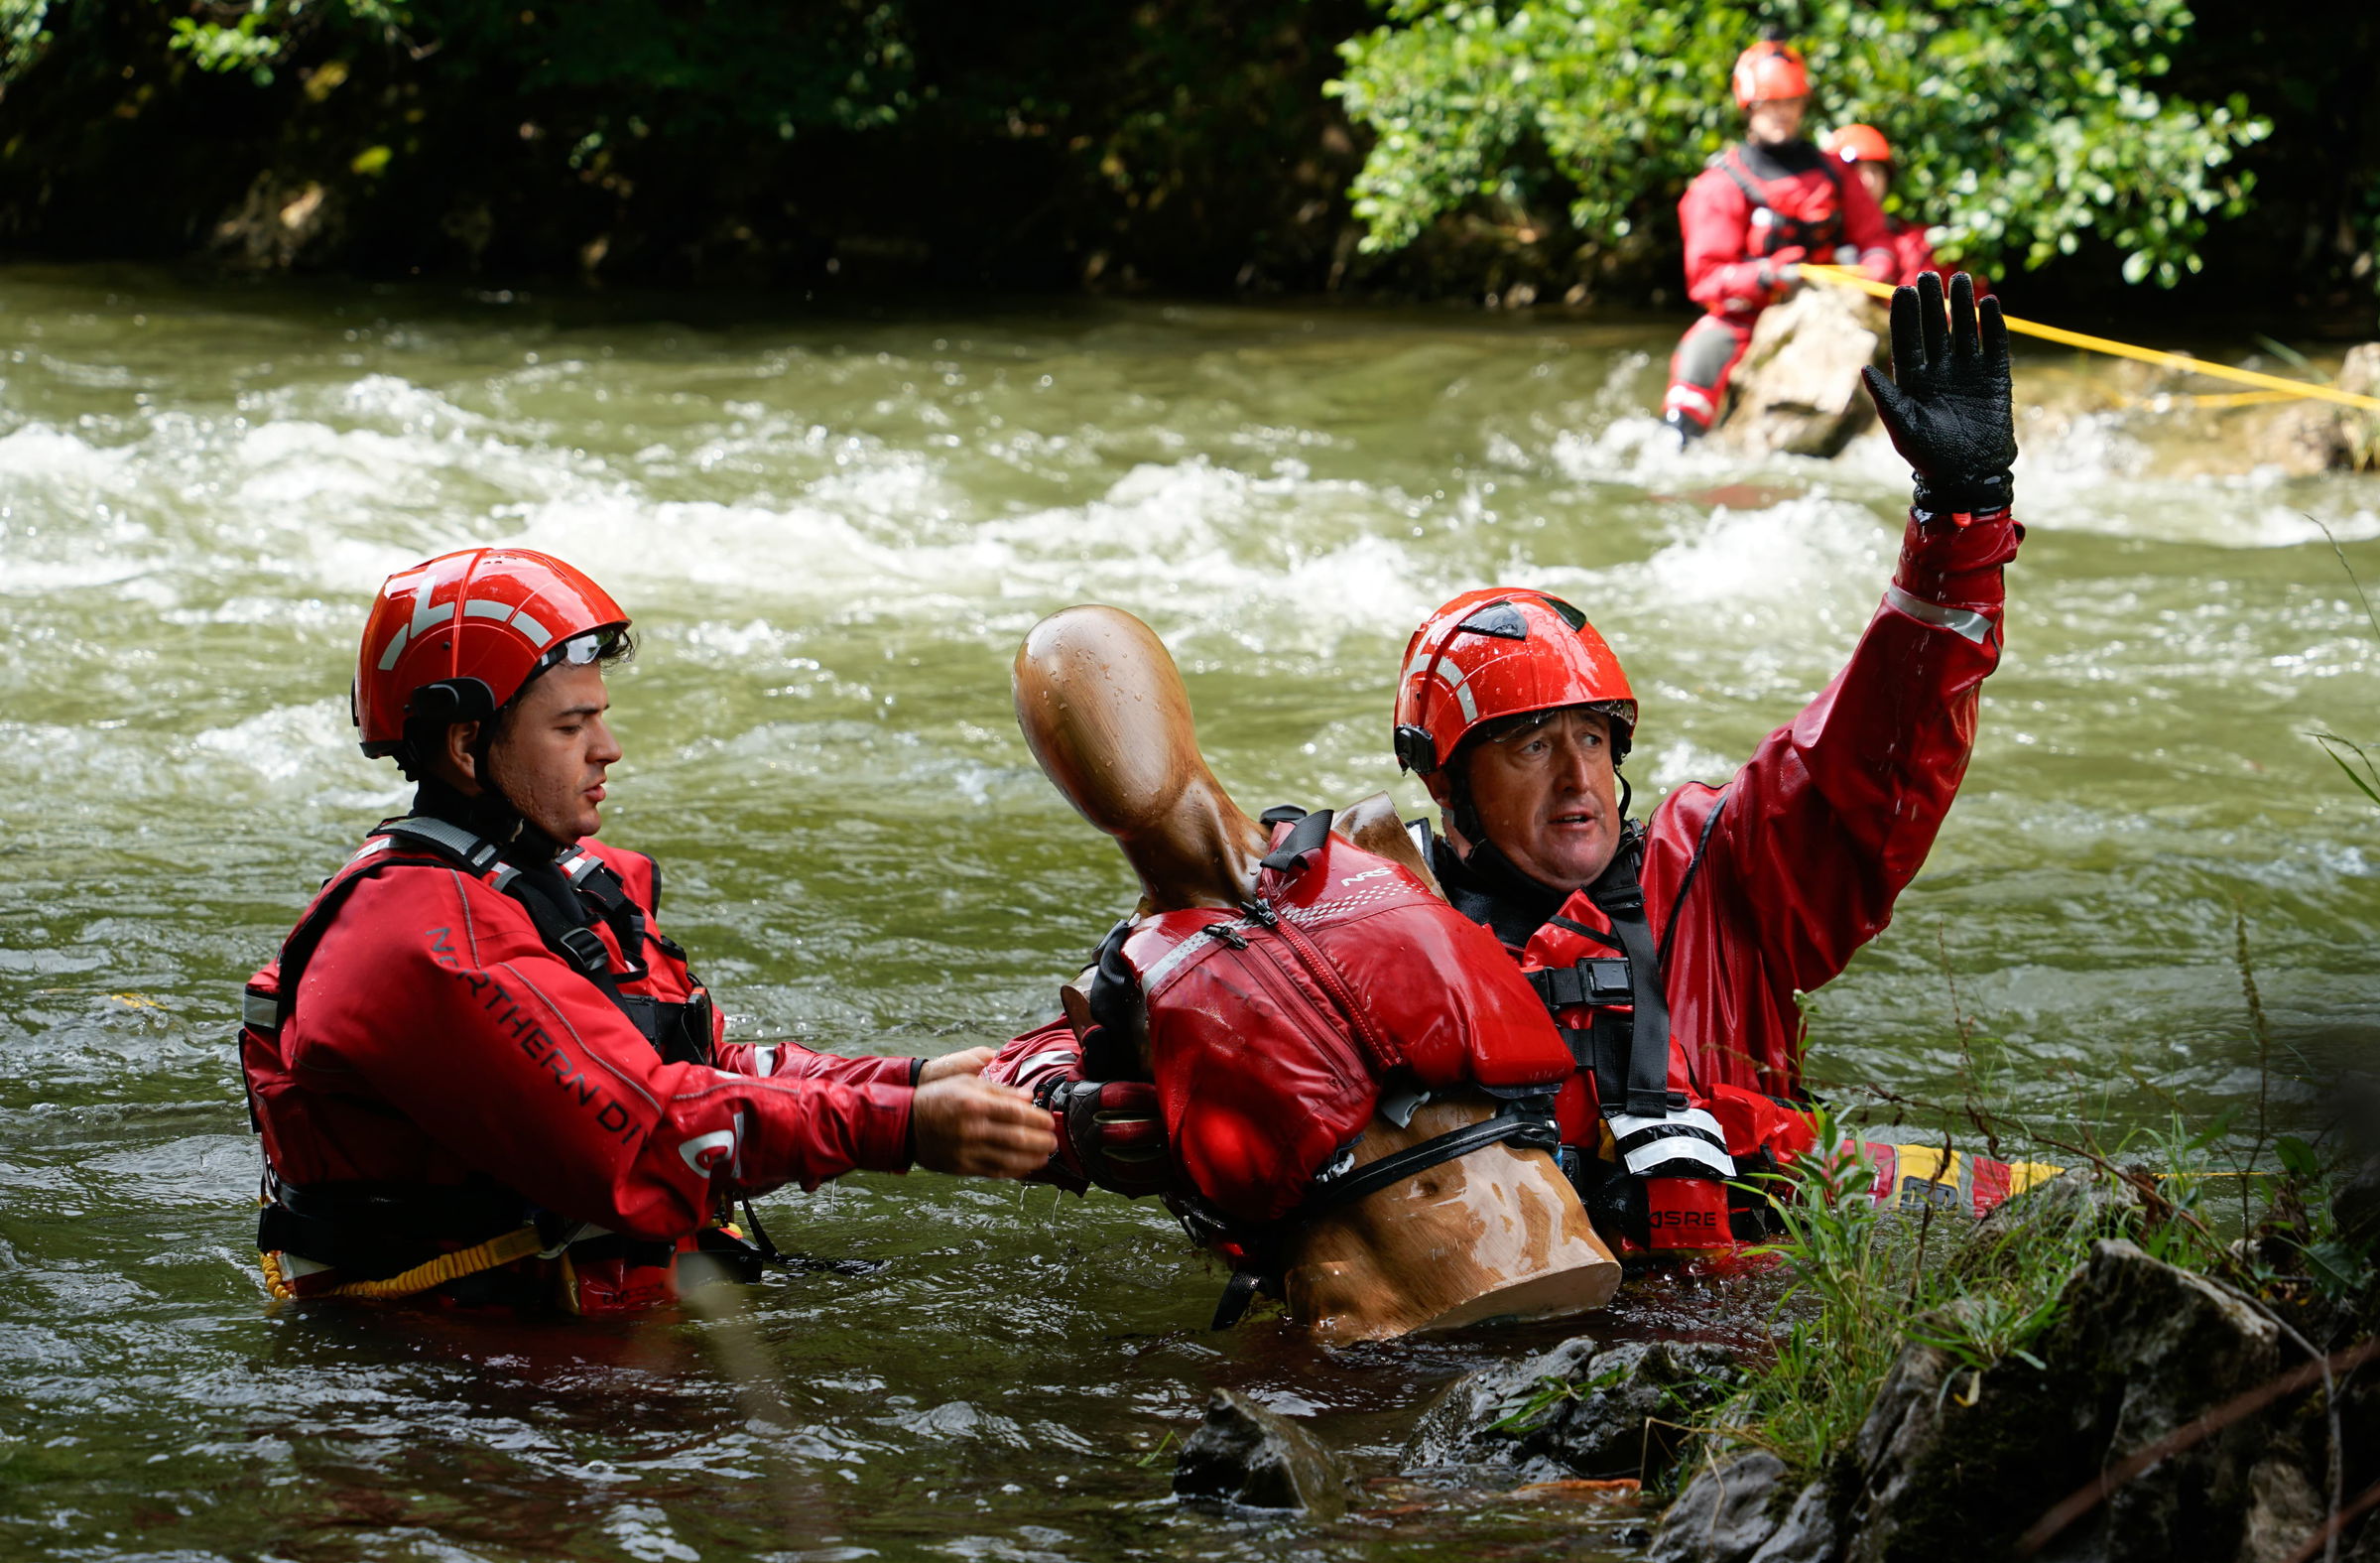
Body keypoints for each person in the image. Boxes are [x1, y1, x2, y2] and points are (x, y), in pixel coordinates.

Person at [999, 273, 2022, 1271]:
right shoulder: (1340, 916)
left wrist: (1959, 519)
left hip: (1732, 1303)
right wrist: (1074, 1106)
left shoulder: (1719, 871)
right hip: (1484, 1341)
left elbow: (1884, 747)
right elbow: (1055, 1044)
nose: (1579, 782)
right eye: (1534, 747)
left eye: (1593, 741)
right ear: (1447, 788)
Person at [240, 548, 1055, 1311]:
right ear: (464, 746)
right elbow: (650, 1132)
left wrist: (904, 1078)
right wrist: (900, 1127)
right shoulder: (429, 942)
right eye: (571, 727)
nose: (610, 749)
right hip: (460, 1377)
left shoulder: (552, 880)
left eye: (601, 718)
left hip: (570, 1325)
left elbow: (695, 1062)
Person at [1662, 40, 1898, 443]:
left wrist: (1871, 274)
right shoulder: (1719, 186)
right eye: (1770, 103)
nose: (1782, 113)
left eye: (1790, 102)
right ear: (1749, 106)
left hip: (1833, 303)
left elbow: (1875, 239)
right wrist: (1769, 275)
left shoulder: (1833, 174)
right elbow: (1705, 277)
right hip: (1748, 314)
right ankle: (1678, 437)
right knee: (1701, 353)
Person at [1820, 122, 1985, 297]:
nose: (1867, 181)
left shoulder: (1916, 245)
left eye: (1875, 171)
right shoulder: (1813, 240)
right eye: (1855, 172)